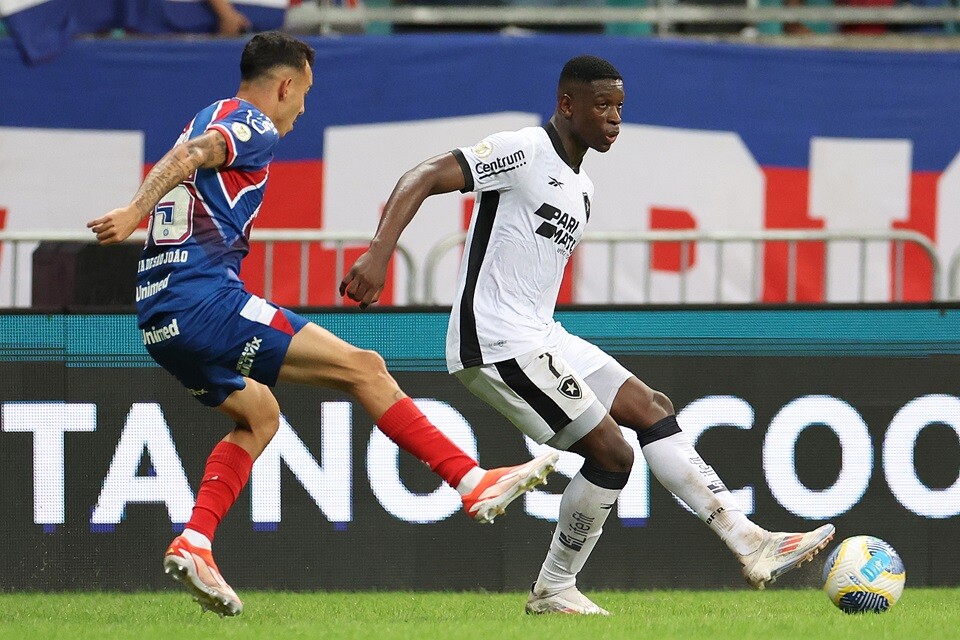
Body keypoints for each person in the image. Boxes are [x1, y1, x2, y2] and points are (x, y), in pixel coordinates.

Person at [341, 54, 836, 616]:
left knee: (651, 408)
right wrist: (379, 254)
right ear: (567, 105)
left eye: (620, 108)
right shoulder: (523, 150)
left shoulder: (583, 187)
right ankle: (554, 588)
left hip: (541, 333)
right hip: (496, 340)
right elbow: (424, 175)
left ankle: (749, 541)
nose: (614, 119)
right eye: (602, 106)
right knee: (612, 454)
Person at [86, 31, 558, 618]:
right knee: (365, 368)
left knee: (259, 415)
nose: (302, 109)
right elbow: (191, 158)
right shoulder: (250, 123)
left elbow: (191, 154)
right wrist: (134, 209)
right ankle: (471, 482)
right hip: (202, 302)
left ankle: (196, 541)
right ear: (284, 85)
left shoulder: (209, 112)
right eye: (303, 94)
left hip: (158, 316)